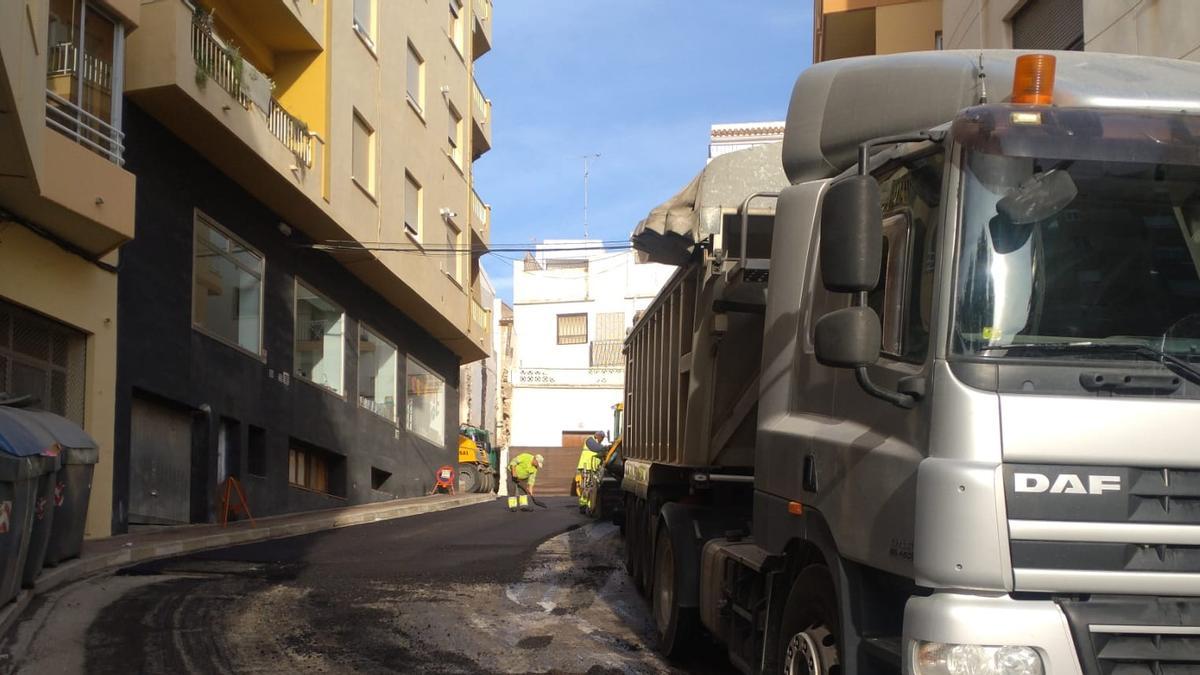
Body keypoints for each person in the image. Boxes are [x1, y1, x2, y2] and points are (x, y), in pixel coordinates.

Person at [575, 431, 606, 513]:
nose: (602, 440)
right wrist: (606, 448)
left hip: (593, 469)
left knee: (591, 489)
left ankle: (589, 507)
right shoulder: (590, 440)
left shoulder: (598, 445)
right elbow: (597, 448)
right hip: (586, 468)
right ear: (597, 436)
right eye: (601, 438)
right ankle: (583, 505)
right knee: (586, 487)